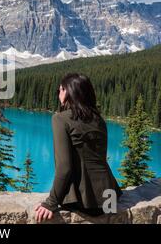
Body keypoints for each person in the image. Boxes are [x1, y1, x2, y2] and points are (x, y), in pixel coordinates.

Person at [35, 73, 123, 222]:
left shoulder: (60, 119)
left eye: (60, 90)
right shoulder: (98, 119)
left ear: (68, 92)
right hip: (110, 196)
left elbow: (65, 166)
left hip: (85, 200)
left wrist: (50, 202)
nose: (59, 94)